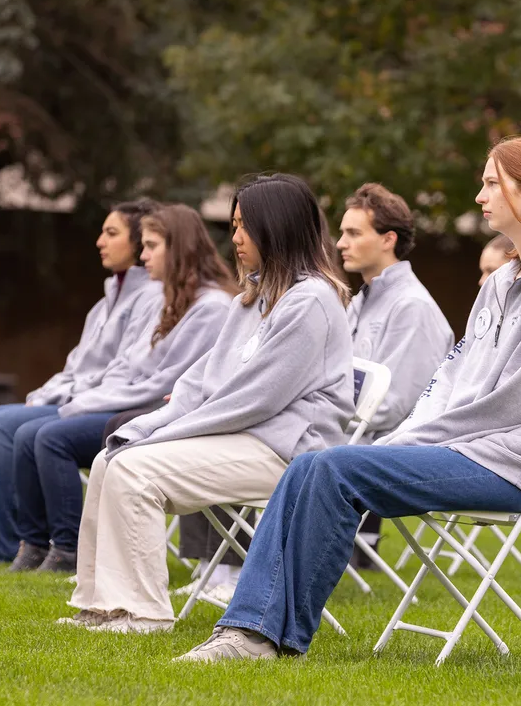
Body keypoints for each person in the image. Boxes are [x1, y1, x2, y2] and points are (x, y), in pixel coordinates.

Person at [176, 134, 521, 662]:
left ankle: (259, 635)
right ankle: (250, 629)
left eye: (492, 183)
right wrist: (404, 439)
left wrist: (412, 442)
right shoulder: (497, 283)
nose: (480, 196)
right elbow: (448, 379)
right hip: (462, 450)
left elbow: (520, 402)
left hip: (513, 465)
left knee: (334, 471)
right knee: (312, 465)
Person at [61, 173, 354, 634]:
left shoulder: (311, 302)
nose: (234, 238)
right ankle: (101, 604)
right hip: (243, 438)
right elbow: (199, 382)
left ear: (276, 229)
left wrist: (164, 435)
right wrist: (148, 426)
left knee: (136, 470)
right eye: (234, 224)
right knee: (109, 458)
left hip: (288, 452)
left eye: (244, 226)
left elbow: (254, 400)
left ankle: (143, 612)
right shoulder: (251, 300)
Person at [8, 204, 238, 573]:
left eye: (150, 246)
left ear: (177, 248)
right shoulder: (171, 301)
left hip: (162, 414)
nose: (142, 256)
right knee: (32, 431)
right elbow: (127, 365)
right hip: (128, 406)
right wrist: (84, 400)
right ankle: (34, 544)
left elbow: (165, 384)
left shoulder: (211, 308)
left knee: (52, 438)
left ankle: (68, 550)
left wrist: (84, 404)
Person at [0, 199, 161, 563]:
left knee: (4, 426)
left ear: (137, 243)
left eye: (111, 233)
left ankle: (7, 546)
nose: (100, 241)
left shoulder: (152, 298)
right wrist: (42, 395)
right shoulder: (103, 304)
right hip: (73, 397)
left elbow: (123, 371)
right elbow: (74, 367)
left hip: (103, 405)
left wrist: (67, 397)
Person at [336, 183, 453, 568]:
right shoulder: (362, 300)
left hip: (385, 450)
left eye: (353, 233)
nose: (340, 243)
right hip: (347, 435)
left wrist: (320, 418)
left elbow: (395, 406)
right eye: (342, 233)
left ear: (388, 239)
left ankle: (235, 568)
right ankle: (228, 566)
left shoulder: (413, 308)